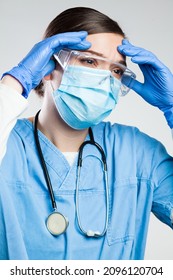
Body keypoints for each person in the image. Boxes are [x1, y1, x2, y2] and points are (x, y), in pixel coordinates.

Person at [0, 6, 173, 260]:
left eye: (115, 70)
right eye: (89, 61)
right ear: (48, 65)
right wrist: (14, 83)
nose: (104, 78)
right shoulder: (9, 145)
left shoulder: (139, 154)